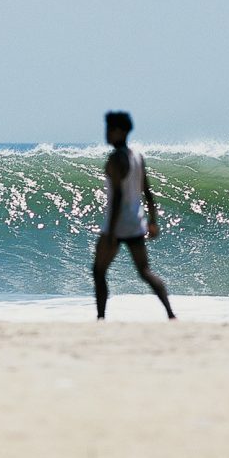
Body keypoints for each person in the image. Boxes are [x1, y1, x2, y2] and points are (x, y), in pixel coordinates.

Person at [92, 111, 175, 320]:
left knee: (98, 271)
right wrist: (153, 221)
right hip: (136, 223)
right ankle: (171, 314)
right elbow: (148, 192)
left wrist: (110, 231)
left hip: (118, 224)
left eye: (110, 129)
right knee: (145, 271)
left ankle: (101, 318)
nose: (107, 134)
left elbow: (118, 197)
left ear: (119, 131)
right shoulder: (137, 156)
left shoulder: (115, 159)